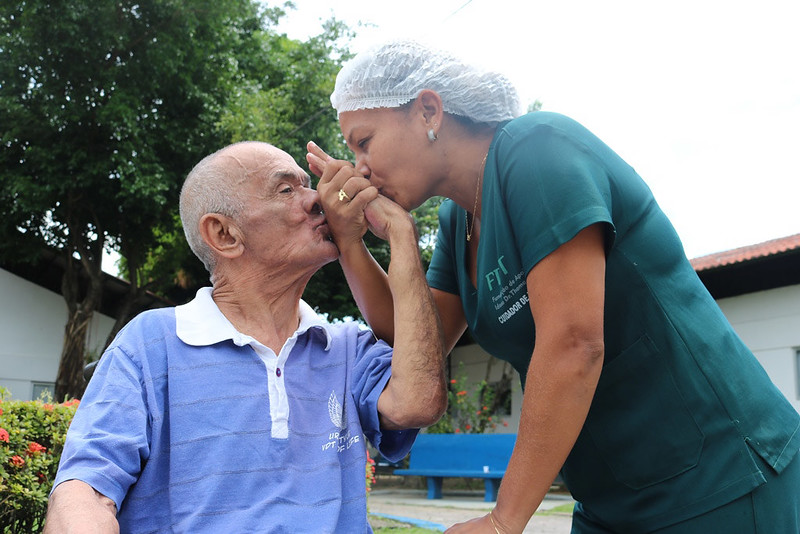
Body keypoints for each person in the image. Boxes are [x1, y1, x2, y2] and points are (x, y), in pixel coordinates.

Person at [305, 40, 800, 533]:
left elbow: (574, 344)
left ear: (429, 110)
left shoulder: (536, 149)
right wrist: (359, 242)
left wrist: (503, 521)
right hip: (611, 497)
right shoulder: (460, 220)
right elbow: (409, 336)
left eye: (364, 142)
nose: (359, 167)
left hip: (719, 481)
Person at [43, 141, 447, 533]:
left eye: (307, 185)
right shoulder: (151, 344)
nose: (317, 199)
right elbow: (86, 491)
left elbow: (418, 403)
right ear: (224, 234)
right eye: (287, 189)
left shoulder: (345, 347)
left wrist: (401, 235)